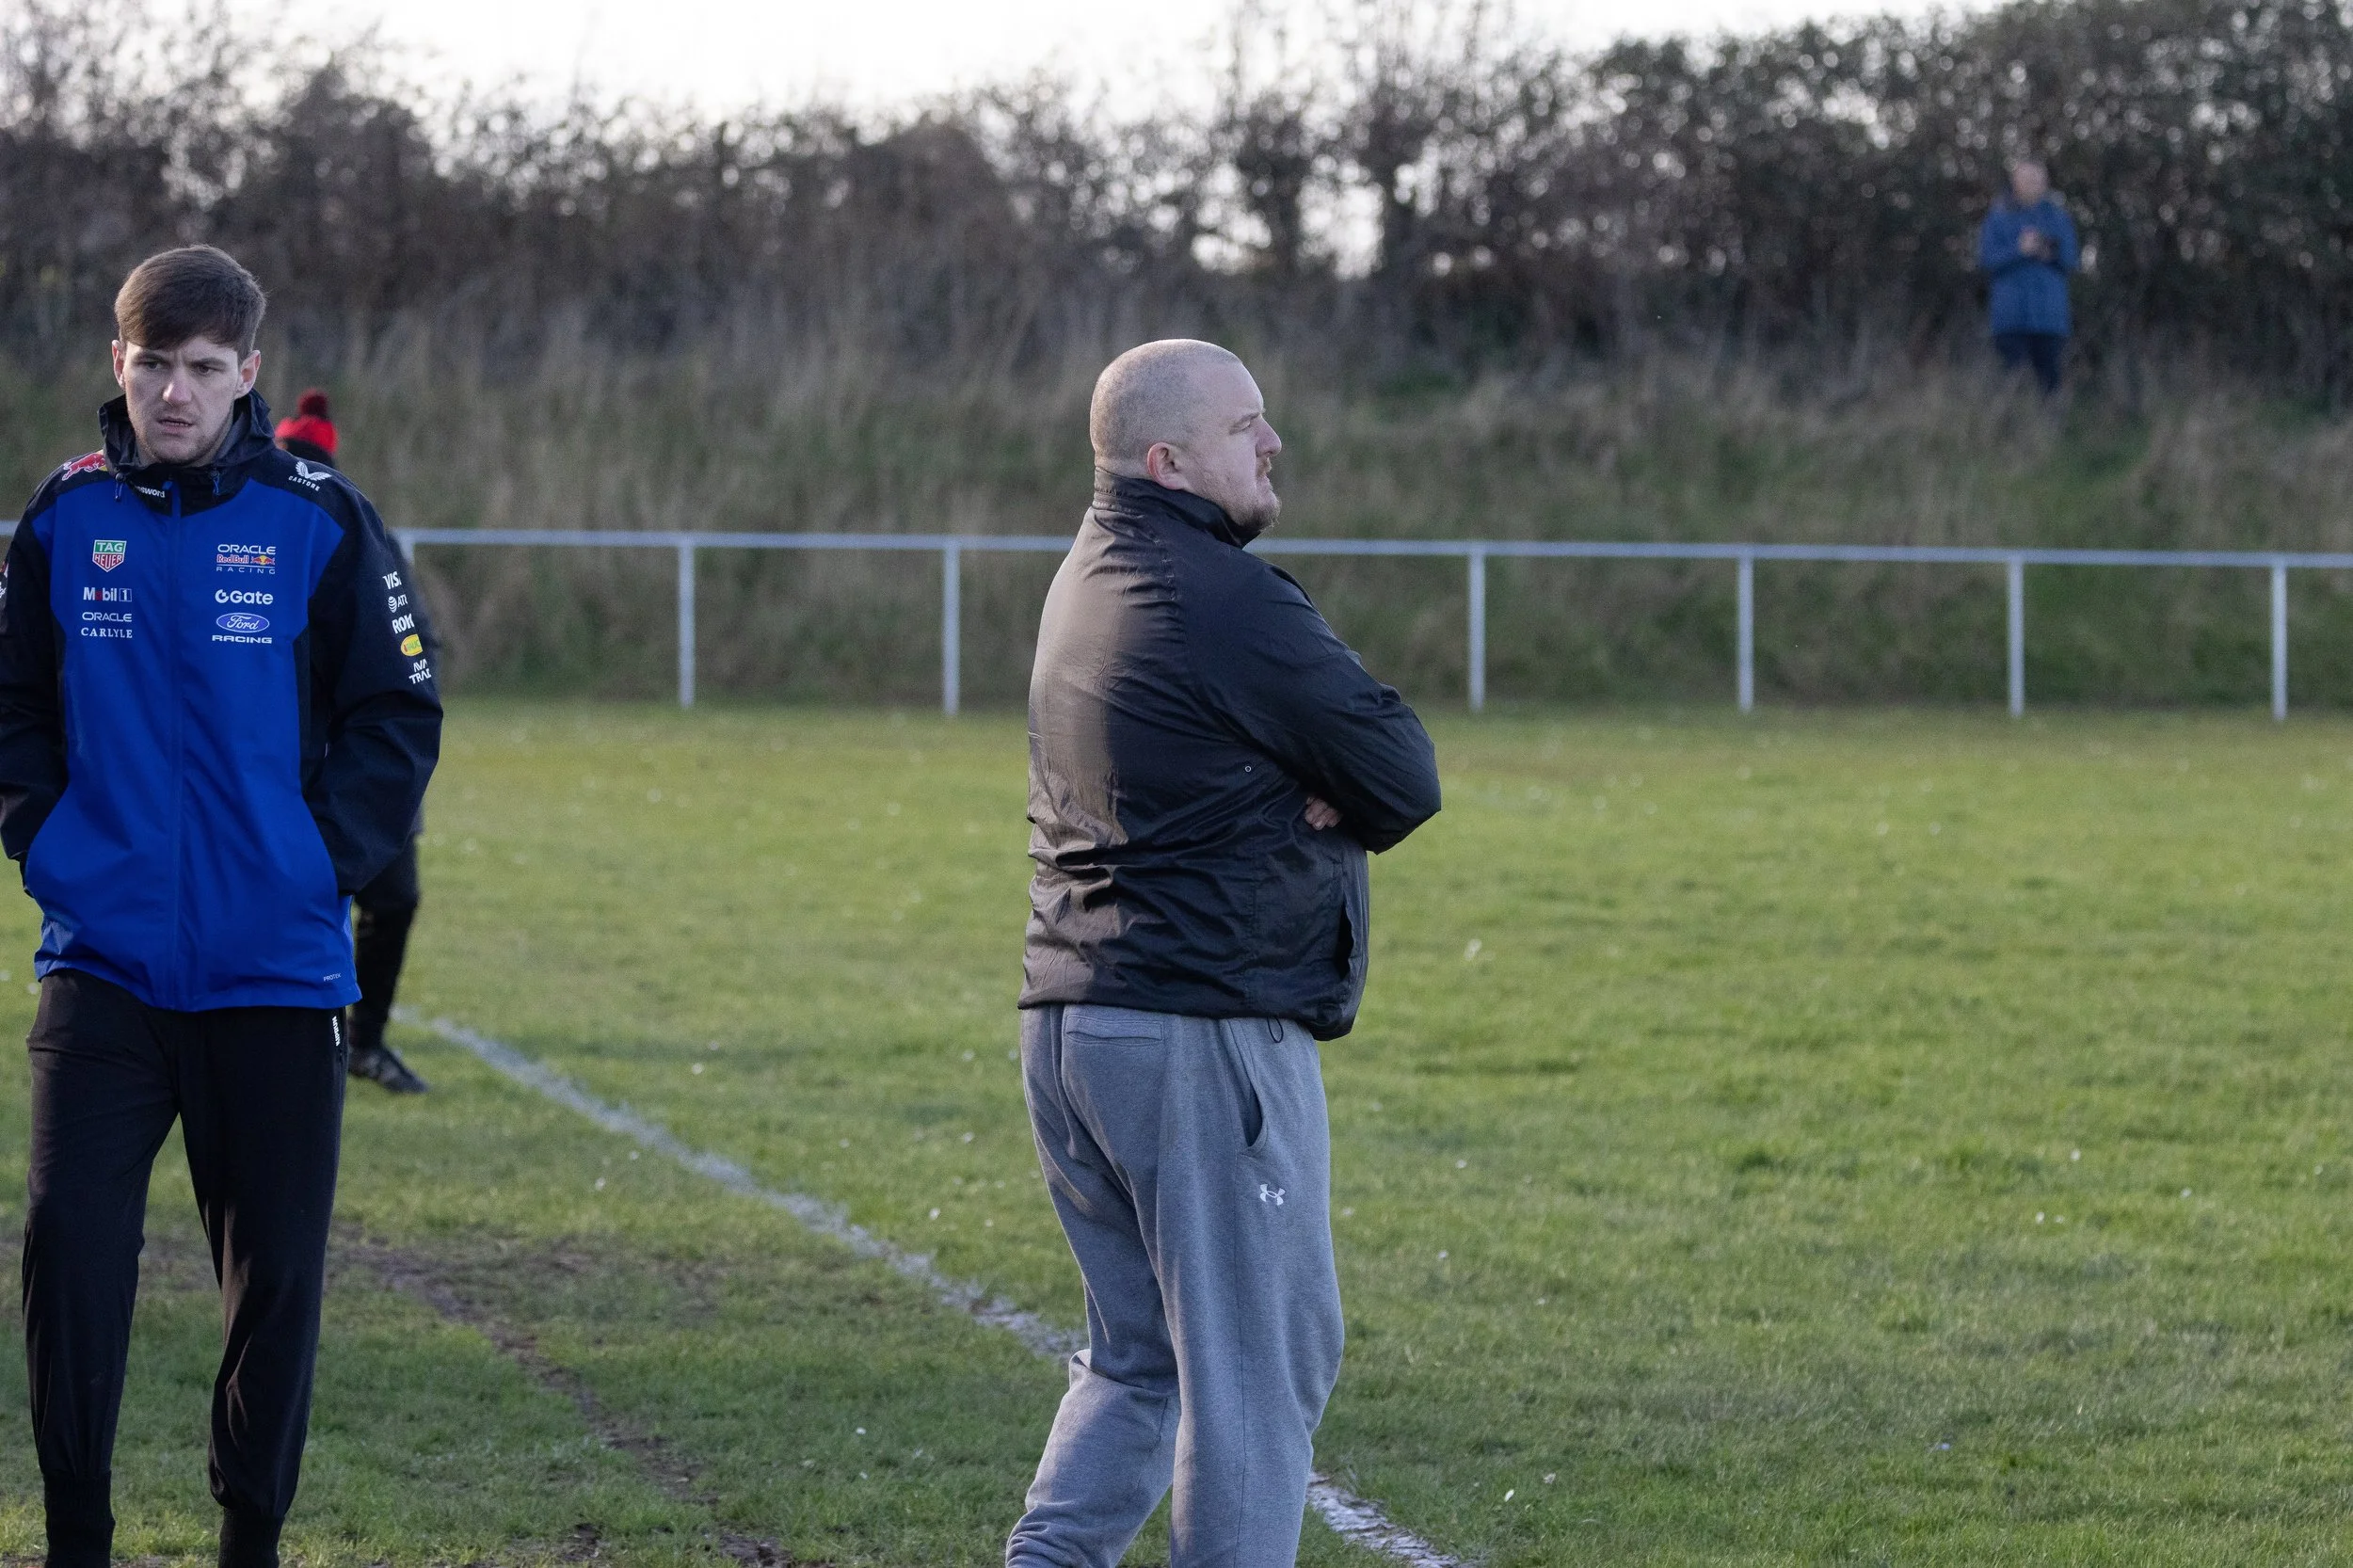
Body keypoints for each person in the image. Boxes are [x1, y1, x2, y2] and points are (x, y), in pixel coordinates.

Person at [0, 245, 440, 1568]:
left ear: (247, 372)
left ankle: (249, 1534)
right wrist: (52, 844)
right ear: (117, 364)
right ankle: (76, 1536)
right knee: (69, 1254)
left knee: (277, 1282)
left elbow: (396, 715)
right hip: (105, 966)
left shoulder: (323, 515)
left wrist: (314, 866)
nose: (175, 392)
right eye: (153, 365)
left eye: (202, 369)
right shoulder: (60, 518)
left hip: (277, 972)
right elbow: (14, 707)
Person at [1010, 339, 1441, 1566]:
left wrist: (1321, 776)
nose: (1274, 442)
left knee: (1139, 1357)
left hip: (1069, 1020)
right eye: (1247, 424)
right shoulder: (1222, 596)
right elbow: (1402, 772)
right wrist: (1324, 781)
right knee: (1258, 1368)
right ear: (1170, 459)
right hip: (1197, 1028)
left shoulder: (1087, 570)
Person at [271, 389, 430, 1094]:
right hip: (279, 774)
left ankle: (360, 1041)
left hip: (356, 769)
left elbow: (409, 652)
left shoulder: (351, 527)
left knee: (387, 898)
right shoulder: (253, 525)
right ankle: (329, 1041)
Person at [1977, 159, 2080, 395]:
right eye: (2027, 179)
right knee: (2011, 384)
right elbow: (1987, 259)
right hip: (2010, 319)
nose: (2033, 184)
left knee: (2050, 385)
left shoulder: (2059, 218)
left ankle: (2050, 430)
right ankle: (2012, 430)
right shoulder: (1997, 218)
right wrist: (2019, 250)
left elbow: (2071, 259)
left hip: (2049, 320)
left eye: (2038, 180)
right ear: (2015, 183)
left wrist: (2047, 252)